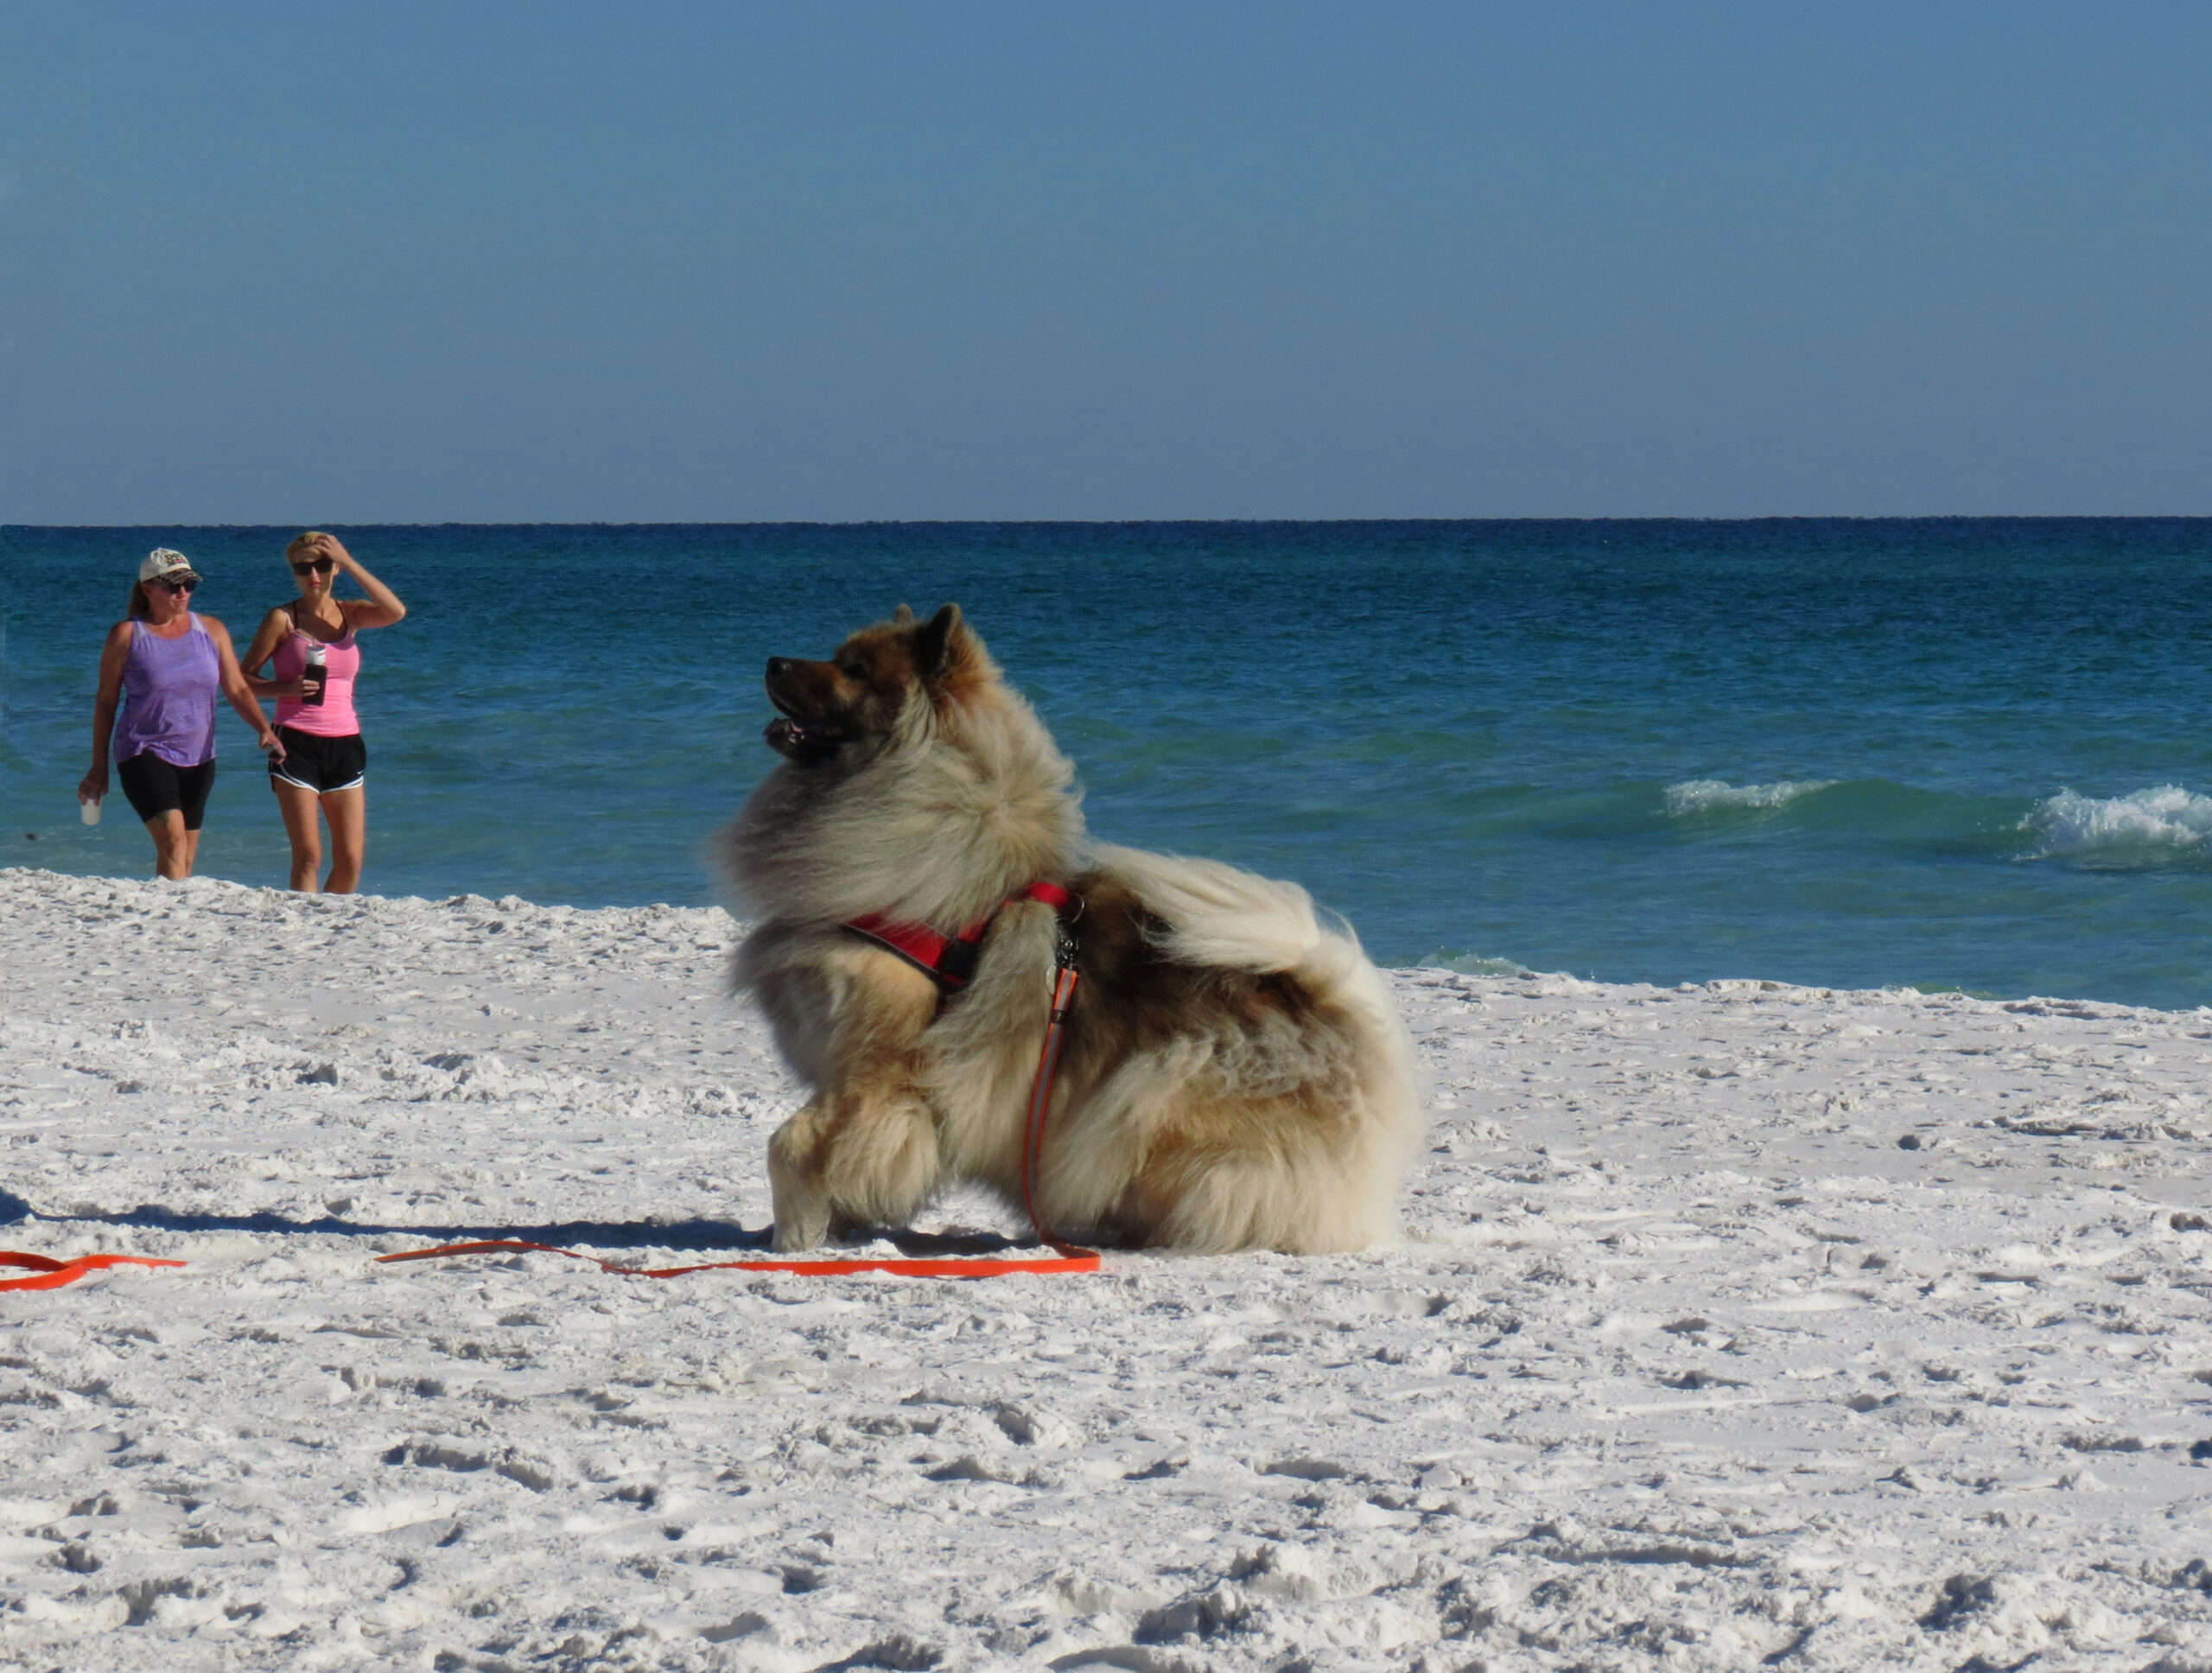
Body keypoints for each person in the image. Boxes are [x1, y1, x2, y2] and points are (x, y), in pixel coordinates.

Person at [78, 549, 287, 881]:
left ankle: (165, 921)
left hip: (200, 756)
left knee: (183, 859)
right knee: (173, 844)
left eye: (189, 584)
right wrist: (98, 768)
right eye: (173, 586)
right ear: (148, 589)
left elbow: (237, 688)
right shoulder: (127, 635)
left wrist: (264, 729)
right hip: (143, 752)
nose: (183, 593)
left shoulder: (212, 630)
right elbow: (105, 702)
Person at [240, 531, 407, 894]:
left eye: (321, 565)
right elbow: (243, 678)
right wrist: (284, 689)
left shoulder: (352, 614)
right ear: (294, 573)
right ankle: (300, 933)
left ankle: (327, 929)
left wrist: (348, 561)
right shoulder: (282, 619)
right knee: (309, 856)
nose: (312, 574)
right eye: (303, 567)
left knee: (350, 860)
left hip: (345, 741)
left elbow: (396, 611)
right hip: (294, 741)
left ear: (334, 569)